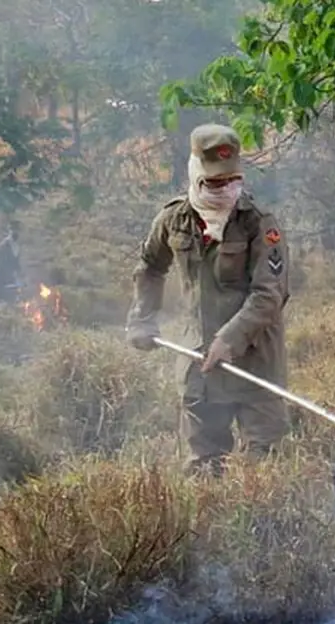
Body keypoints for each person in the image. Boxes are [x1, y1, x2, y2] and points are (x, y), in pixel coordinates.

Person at [125, 123, 291, 474]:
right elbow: (150, 266)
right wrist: (143, 317)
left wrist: (230, 339)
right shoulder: (174, 219)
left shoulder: (260, 224)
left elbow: (270, 293)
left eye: (232, 181)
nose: (225, 190)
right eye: (214, 182)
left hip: (256, 364)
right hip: (199, 365)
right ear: (196, 173)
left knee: (264, 471)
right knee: (203, 469)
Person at [0, 221, 22, 303]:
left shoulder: (16, 245)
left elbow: (16, 259)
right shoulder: (4, 245)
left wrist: (17, 269)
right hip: (1, 270)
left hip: (10, 271)